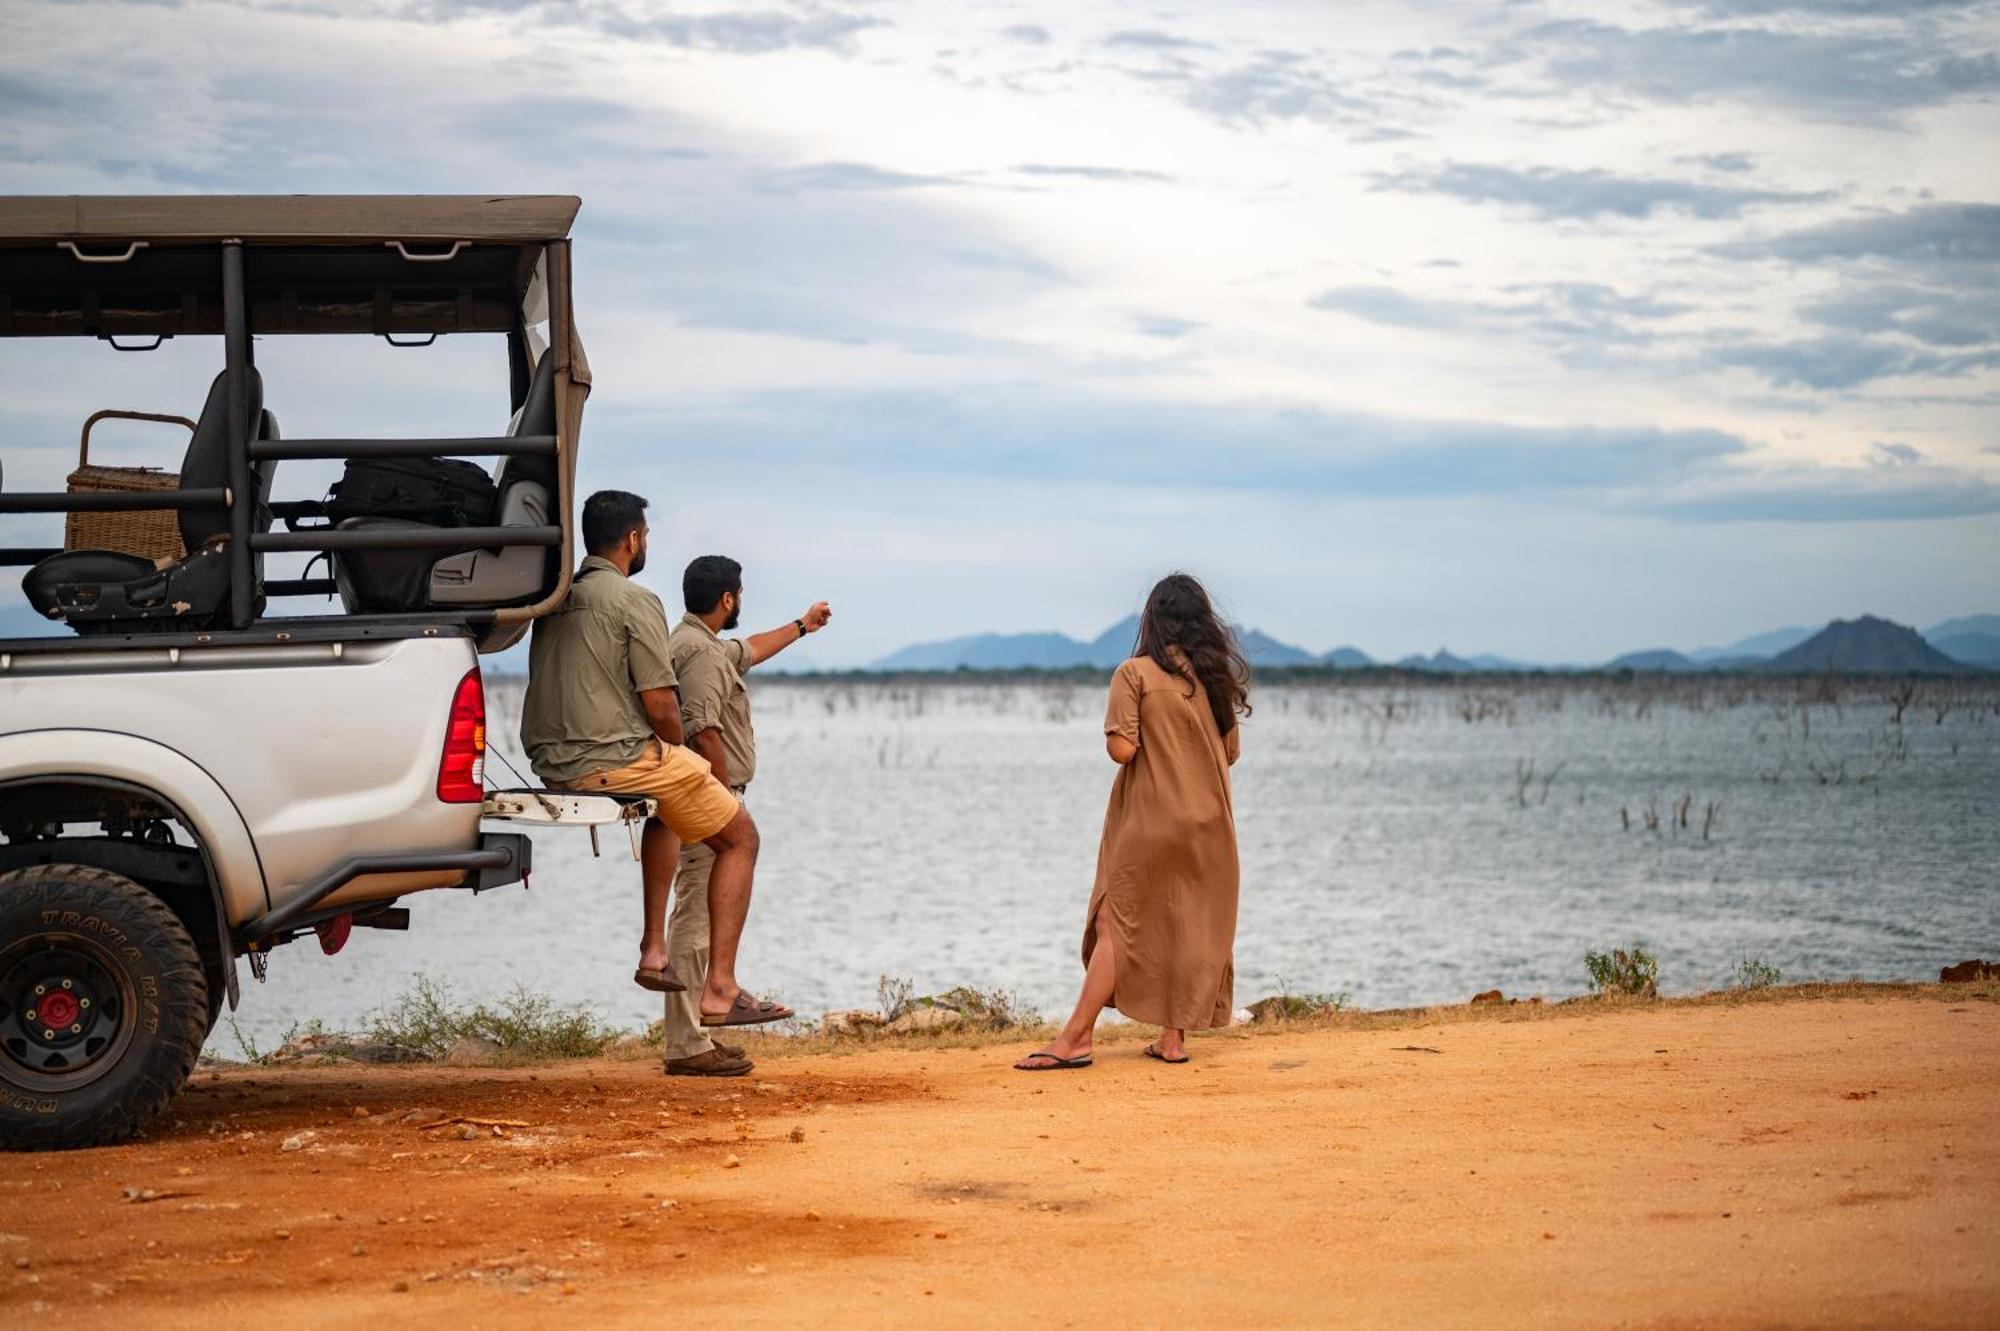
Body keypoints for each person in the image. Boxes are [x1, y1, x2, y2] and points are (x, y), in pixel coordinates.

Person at [519, 490, 793, 1031]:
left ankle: (653, 948)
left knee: (671, 799)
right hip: (614, 759)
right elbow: (663, 703)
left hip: (553, 761)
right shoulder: (635, 601)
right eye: (645, 533)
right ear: (633, 539)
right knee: (741, 839)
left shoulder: (554, 599)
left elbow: (745, 652)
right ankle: (721, 988)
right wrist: (680, 752)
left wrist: (803, 624)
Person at [1016, 572, 1249, 1071]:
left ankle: (1076, 1037)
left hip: (1153, 818)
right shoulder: (1214, 679)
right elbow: (1230, 754)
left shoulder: (1134, 673)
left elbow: (1122, 750)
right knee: (1187, 923)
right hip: (1210, 824)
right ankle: (1172, 1039)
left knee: (1115, 920)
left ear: (1153, 620)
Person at [659, 555, 830, 1076]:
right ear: (728, 598)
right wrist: (723, 796)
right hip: (708, 794)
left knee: (700, 909)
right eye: (740, 593)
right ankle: (687, 1045)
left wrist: (802, 626)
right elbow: (701, 727)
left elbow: (751, 649)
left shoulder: (694, 642)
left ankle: (693, 1038)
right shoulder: (701, 654)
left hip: (701, 792)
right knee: (694, 914)